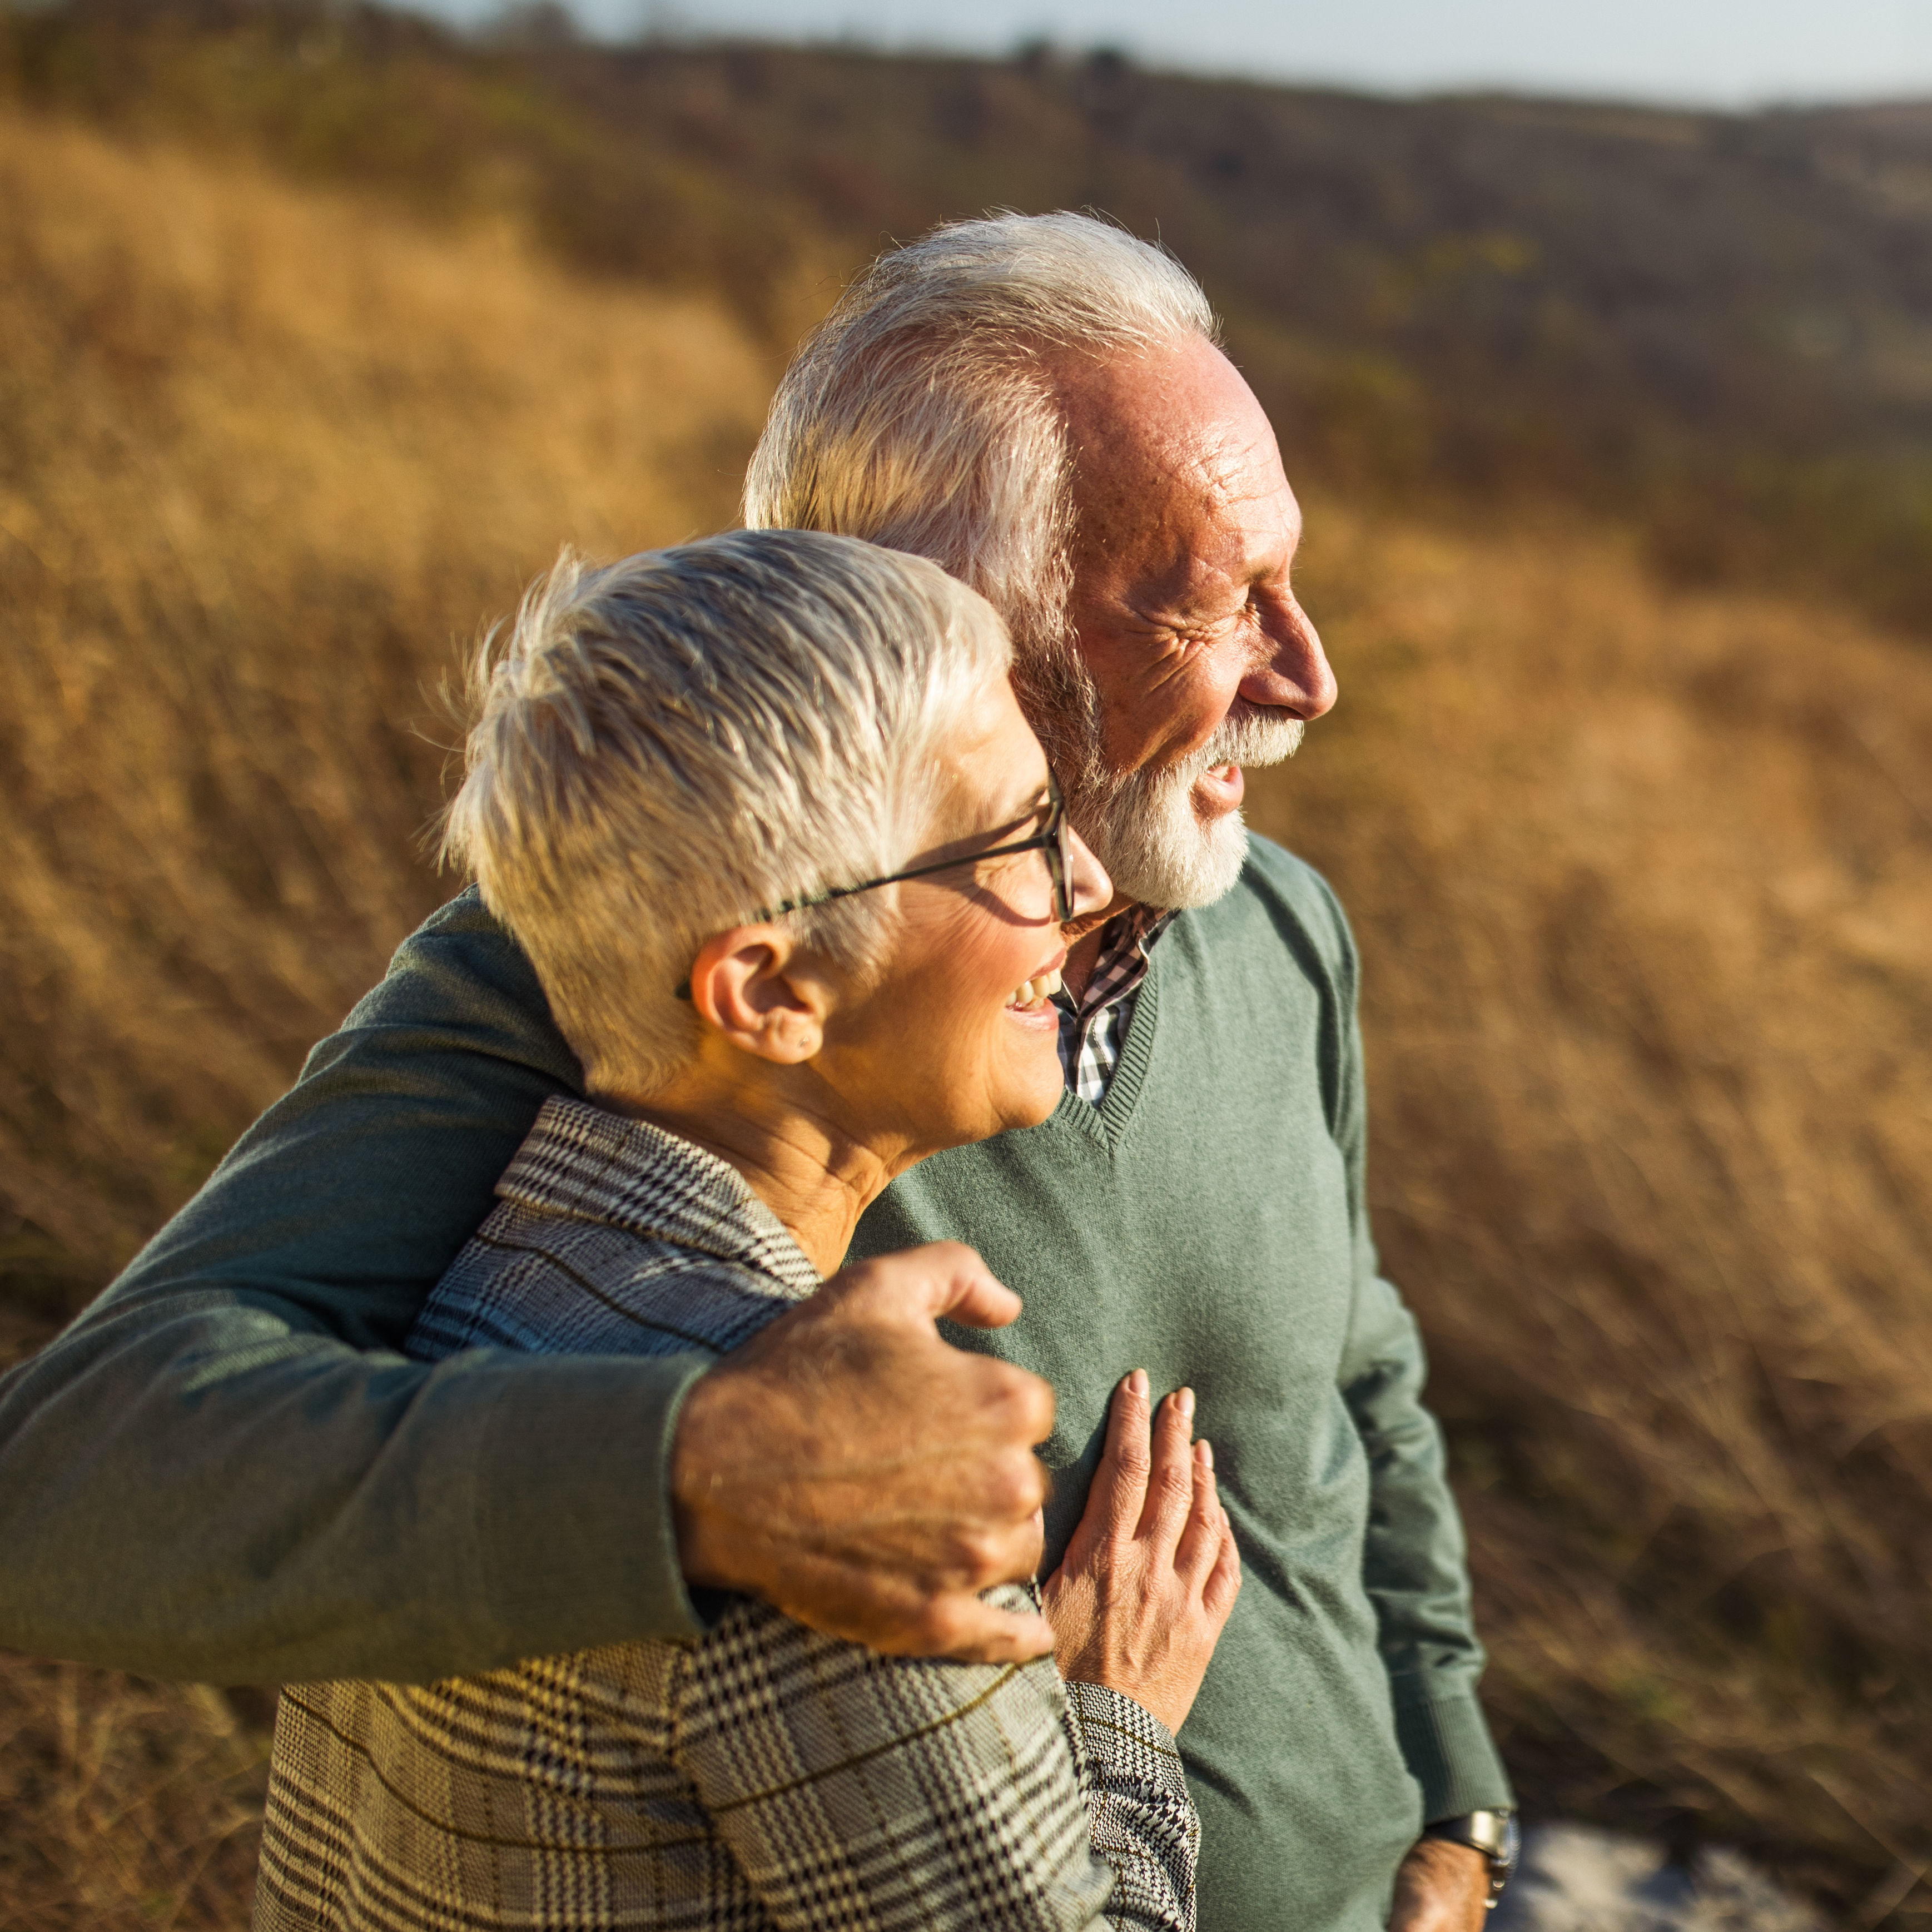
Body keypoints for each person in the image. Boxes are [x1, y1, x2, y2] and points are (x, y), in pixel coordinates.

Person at [0, 213, 1512, 1930]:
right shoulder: (619, 977)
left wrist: (1456, 1815)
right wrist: (699, 1465)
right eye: (1213, 603)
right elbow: (67, 1491)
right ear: (946, 623)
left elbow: (1355, 1387)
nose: (1309, 675)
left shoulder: (1284, 924)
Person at [256, 529, 1239, 1930]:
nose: (1084, 890)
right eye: (1017, 837)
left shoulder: (448, 1287)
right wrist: (1114, 1718)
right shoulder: (836, 1501)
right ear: (771, 990)